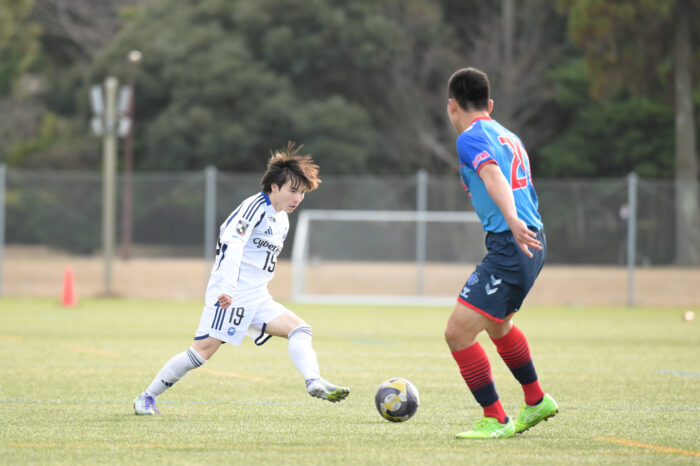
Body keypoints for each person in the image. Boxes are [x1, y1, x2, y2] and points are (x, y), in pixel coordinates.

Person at [134, 142, 349, 415]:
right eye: (293, 190)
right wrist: (227, 288)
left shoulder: (282, 219)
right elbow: (231, 244)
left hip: (257, 296)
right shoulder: (254, 207)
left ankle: (313, 381)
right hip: (231, 294)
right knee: (201, 352)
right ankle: (146, 397)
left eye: (302, 192)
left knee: (300, 329)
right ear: (274, 187)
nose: (298, 198)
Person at [444, 67, 558, 439]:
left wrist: (511, 221)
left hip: (512, 242)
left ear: (452, 106)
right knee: (498, 325)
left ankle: (495, 418)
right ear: (490, 105)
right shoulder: (509, 136)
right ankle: (536, 399)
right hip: (532, 240)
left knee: (457, 333)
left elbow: (492, 174)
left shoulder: (469, 137)